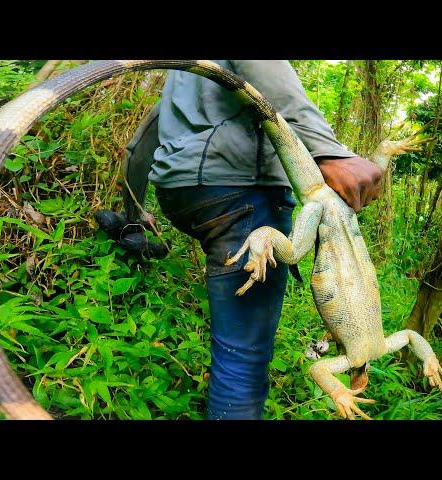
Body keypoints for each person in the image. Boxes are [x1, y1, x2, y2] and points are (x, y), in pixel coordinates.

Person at [120, 60, 383, 420]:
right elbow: (268, 78)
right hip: (242, 192)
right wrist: (329, 151)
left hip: (181, 196)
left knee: (235, 327)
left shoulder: (181, 76)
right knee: (242, 358)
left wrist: (132, 217)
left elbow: (138, 148)